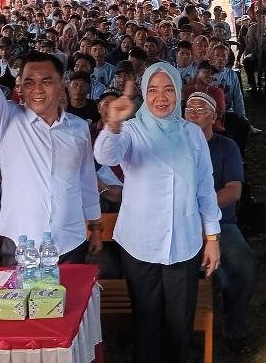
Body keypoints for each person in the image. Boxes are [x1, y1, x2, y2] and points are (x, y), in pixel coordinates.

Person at [95, 63, 221, 363]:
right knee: (146, 321)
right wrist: (112, 124)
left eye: (167, 90)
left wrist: (213, 236)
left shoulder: (192, 133)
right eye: (152, 90)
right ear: (144, 94)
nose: (160, 97)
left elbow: (205, 186)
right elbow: (105, 154)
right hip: (140, 243)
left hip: (184, 242)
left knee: (180, 323)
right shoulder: (131, 130)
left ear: (178, 92)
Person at [0, 16, 103, 266]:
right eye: (29, 82)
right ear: (20, 88)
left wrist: (96, 225)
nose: (38, 89)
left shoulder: (78, 128)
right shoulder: (7, 120)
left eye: (46, 81)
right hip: (21, 243)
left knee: (69, 305)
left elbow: (86, 179)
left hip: (70, 241)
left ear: (61, 85)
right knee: (19, 306)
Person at [184, 91, 255, 352]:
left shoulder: (226, 146)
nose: (192, 113)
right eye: (188, 108)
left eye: (200, 109)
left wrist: (199, 211)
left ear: (214, 117)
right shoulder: (174, 145)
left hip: (221, 224)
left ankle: (234, 327)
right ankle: (179, 328)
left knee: (242, 263)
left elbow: (233, 190)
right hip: (180, 225)